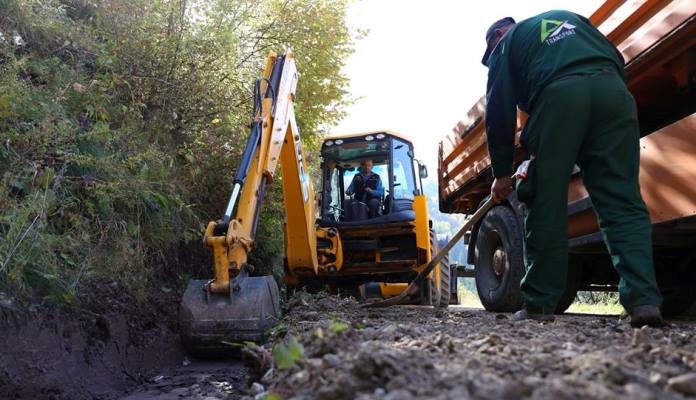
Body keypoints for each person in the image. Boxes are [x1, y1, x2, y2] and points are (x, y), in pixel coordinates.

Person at [482, 11, 664, 326]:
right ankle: (643, 300)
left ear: (496, 36)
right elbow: (614, 57)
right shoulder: (572, 19)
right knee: (621, 199)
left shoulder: (504, 44)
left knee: (544, 199)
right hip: (614, 93)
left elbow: (499, 110)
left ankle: (539, 303)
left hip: (559, 98)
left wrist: (500, 173)